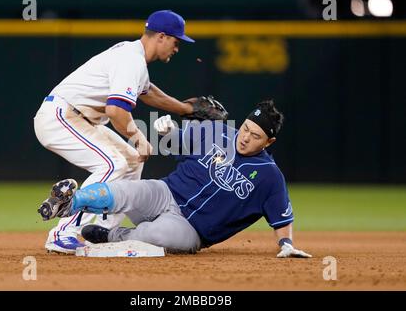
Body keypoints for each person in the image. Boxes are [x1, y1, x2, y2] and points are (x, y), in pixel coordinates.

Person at [38, 100, 312, 258]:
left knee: (151, 235)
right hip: (165, 193)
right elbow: (177, 142)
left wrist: (286, 245)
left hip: (191, 230)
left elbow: (282, 218)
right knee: (127, 191)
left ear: (269, 141)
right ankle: (71, 203)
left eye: (256, 136)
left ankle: (111, 235)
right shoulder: (218, 132)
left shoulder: (270, 177)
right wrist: (167, 130)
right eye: (246, 128)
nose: (245, 136)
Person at [33, 10, 197, 254]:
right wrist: (138, 136)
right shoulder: (132, 60)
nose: (177, 48)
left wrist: (186, 108)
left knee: (131, 161)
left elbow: (149, 92)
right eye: (176, 41)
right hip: (62, 116)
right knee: (113, 163)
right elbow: (115, 110)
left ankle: (101, 230)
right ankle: (62, 231)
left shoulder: (134, 57)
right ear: (161, 36)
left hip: (81, 119)